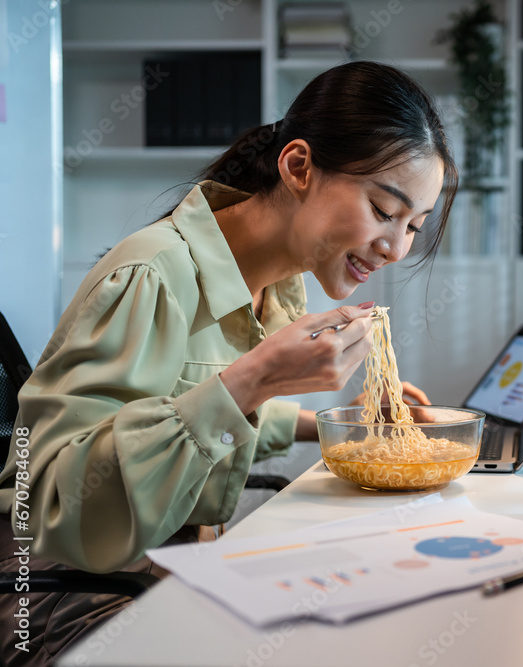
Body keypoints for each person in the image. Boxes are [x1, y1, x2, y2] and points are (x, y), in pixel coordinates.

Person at [0, 60, 458, 666]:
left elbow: (185, 403)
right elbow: (47, 499)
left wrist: (332, 423)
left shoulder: (281, 284)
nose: (396, 248)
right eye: (382, 209)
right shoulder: (150, 276)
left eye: (414, 227)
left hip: (164, 574)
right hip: (60, 599)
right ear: (298, 167)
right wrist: (254, 379)